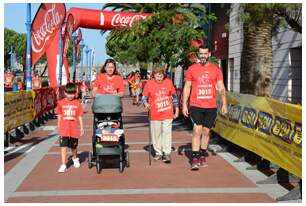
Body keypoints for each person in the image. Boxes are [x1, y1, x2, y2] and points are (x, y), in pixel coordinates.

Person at [182, 45, 228, 170]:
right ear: (198, 54)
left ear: (209, 54)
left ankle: (202, 154)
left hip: (211, 106)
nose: (203, 56)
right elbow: (187, 87)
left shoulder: (216, 69)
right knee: (197, 130)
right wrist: (184, 104)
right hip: (196, 105)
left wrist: (224, 103)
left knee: (206, 132)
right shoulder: (192, 69)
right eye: (201, 53)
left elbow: (221, 87)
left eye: (205, 53)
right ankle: (195, 157)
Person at [142, 66, 179, 163]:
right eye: (157, 75)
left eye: (161, 74)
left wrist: (177, 109)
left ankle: (166, 153)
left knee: (167, 132)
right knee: (156, 133)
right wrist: (146, 104)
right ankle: (158, 152)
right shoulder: (149, 84)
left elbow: (174, 97)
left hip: (167, 112)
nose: (159, 76)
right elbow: (144, 97)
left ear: (163, 75)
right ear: (154, 75)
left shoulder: (168, 82)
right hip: (155, 113)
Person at [56, 83, 84, 173]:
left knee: (74, 147)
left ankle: (75, 158)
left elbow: (79, 116)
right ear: (65, 93)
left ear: (75, 93)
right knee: (63, 146)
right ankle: (63, 164)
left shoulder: (77, 103)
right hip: (64, 129)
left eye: (72, 93)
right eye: (69, 93)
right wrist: (58, 126)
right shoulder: (60, 103)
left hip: (73, 129)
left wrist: (82, 127)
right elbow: (59, 115)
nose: (70, 95)